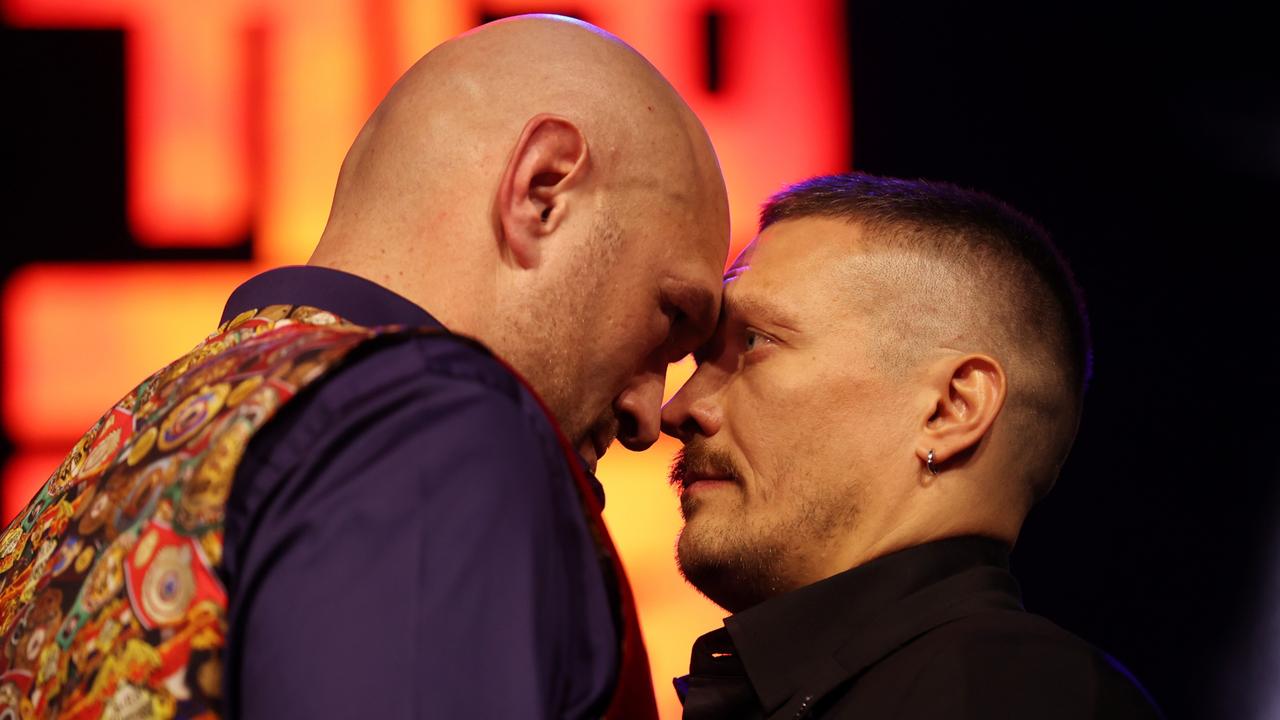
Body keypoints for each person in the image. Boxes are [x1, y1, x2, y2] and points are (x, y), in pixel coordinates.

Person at [0, 15, 729, 719]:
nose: (646, 416)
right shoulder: (434, 432)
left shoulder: (116, 451)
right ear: (541, 192)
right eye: (670, 316)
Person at [662, 173, 1161, 719]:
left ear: (950, 409)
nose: (678, 409)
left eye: (754, 342)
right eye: (699, 358)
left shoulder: (1015, 696)